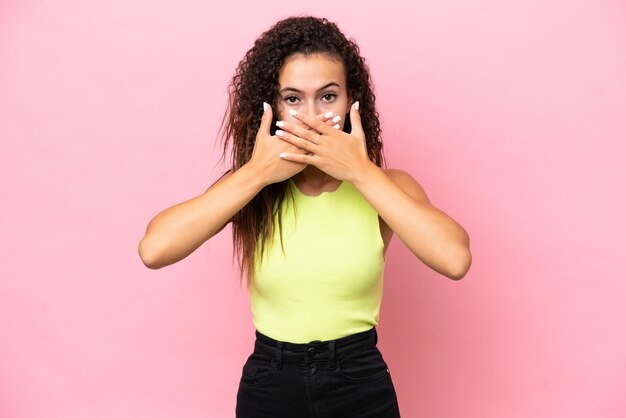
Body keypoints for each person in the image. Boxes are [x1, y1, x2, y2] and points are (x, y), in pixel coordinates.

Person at [138, 15, 471, 418]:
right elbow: (154, 249)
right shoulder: (250, 188)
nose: (311, 115)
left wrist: (359, 171)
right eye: (293, 99)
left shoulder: (384, 186)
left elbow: (455, 259)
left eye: (328, 96)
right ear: (273, 105)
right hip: (270, 382)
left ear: (351, 101)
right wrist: (257, 172)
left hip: (359, 381)